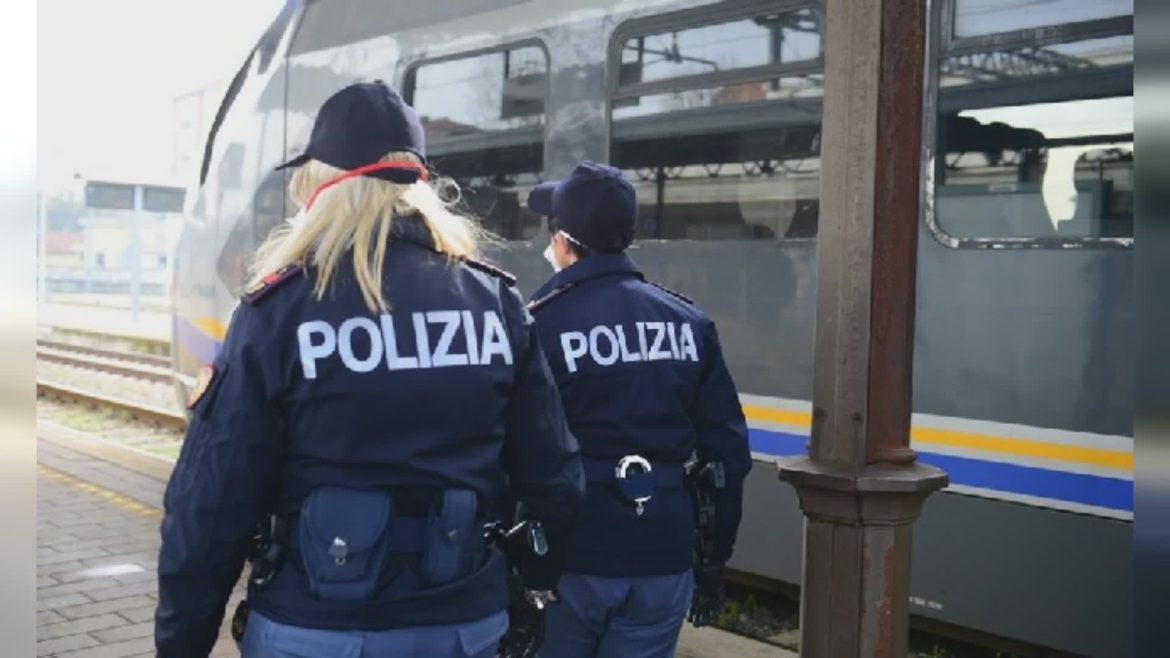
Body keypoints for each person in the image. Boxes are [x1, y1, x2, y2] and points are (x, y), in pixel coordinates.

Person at [154, 80, 585, 658]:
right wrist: (533, 581)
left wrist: (181, 643)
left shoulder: (278, 311)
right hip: (463, 626)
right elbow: (555, 478)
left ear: (321, 187)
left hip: (316, 629)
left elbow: (210, 508)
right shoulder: (494, 303)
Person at [523, 161, 753, 658]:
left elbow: (516, 450)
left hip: (572, 557)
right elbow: (727, 454)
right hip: (663, 552)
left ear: (562, 241)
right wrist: (713, 559)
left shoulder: (539, 325)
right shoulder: (687, 321)